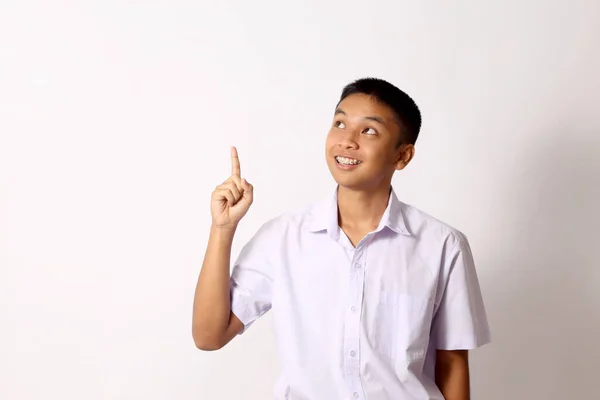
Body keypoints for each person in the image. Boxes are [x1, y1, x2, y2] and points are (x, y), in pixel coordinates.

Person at [192, 77, 491, 400]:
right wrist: (222, 229)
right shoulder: (283, 238)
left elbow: (452, 364)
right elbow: (209, 336)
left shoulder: (442, 245)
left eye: (369, 131)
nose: (346, 141)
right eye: (339, 123)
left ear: (402, 156)